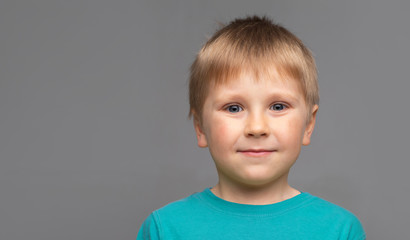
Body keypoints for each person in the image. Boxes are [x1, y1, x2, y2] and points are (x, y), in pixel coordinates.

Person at [137, 16, 366, 239]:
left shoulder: (339, 230)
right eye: (234, 108)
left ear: (309, 124)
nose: (257, 128)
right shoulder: (165, 228)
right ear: (200, 128)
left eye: (278, 106)